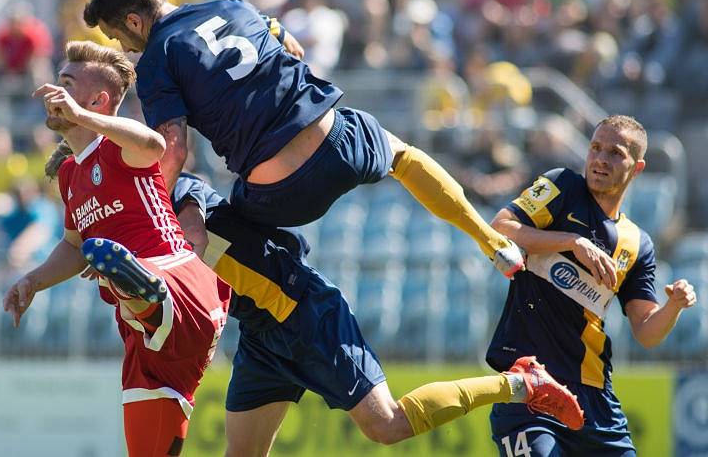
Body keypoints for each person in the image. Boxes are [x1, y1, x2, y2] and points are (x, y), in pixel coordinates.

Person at [82, 0, 525, 277]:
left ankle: (175, 285)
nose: (126, 49)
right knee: (401, 155)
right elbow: (290, 45)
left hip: (282, 195)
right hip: (339, 144)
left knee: (196, 204)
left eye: (120, 37)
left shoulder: (158, 57)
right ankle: (490, 241)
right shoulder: (234, 5)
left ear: (136, 21)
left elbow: (173, 149)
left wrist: (148, 215)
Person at [159, 171, 583, 457]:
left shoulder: (172, 187)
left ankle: (519, 383)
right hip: (261, 331)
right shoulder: (130, 223)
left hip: (305, 311)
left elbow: (192, 242)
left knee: (387, 426)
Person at [3, 41, 230, 457]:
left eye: (67, 85)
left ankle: (142, 289)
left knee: (122, 269)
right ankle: (135, 290)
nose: (56, 92)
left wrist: (84, 118)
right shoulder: (70, 174)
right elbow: (74, 246)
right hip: (146, 341)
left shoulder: (120, 146)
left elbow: (154, 146)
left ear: (97, 100)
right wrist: (33, 280)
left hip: (181, 284)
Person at [488, 115, 697, 456]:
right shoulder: (561, 186)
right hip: (530, 387)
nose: (601, 159)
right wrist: (571, 241)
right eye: (596, 148)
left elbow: (646, 332)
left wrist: (673, 307)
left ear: (637, 167)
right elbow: (501, 228)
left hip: (594, 399)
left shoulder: (637, 244)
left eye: (615, 153)